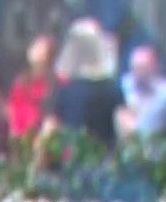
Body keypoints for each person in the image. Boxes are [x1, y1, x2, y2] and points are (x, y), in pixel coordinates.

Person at [51, 17, 122, 146]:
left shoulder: (64, 89)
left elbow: (51, 129)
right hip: (98, 154)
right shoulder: (111, 88)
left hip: (77, 155)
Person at [117, 44, 166, 138]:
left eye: (142, 68)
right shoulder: (123, 86)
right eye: (135, 68)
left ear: (154, 67)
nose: (138, 72)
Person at [7, 33, 56, 140]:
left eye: (41, 48)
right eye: (35, 46)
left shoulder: (55, 83)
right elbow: (13, 110)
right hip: (20, 138)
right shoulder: (21, 82)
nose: (35, 50)